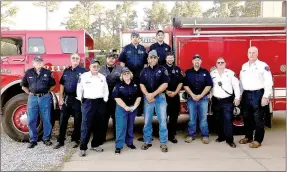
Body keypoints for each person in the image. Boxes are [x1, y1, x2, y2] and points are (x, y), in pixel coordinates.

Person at [239, 46, 273, 148]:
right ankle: (248, 137)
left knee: (258, 118)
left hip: (258, 94)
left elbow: (269, 81)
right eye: (250, 52)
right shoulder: (244, 66)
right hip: (246, 94)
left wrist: (265, 96)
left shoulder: (263, 66)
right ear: (247, 54)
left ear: (257, 54)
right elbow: (241, 82)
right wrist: (240, 94)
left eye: (254, 52)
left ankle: (258, 140)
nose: (251, 54)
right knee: (246, 117)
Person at [21, 56, 56, 148]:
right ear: (33, 63)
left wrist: (47, 92)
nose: (38, 63)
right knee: (31, 119)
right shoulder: (28, 72)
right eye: (36, 62)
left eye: (40, 62)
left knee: (47, 119)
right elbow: (23, 86)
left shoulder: (48, 73)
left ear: (42, 63)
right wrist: (29, 93)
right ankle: (33, 140)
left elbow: (53, 85)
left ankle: (46, 138)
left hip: (45, 98)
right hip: (32, 98)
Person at [54, 53, 88, 149]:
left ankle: (75, 139)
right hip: (67, 98)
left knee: (78, 120)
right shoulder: (66, 70)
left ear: (79, 60)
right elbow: (62, 84)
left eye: (77, 58)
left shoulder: (84, 71)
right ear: (70, 59)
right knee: (63, 120)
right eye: (73, 58)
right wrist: (60, 98)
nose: (75, 59)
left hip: (78, 99)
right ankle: (61, 140)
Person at [76, 59, 109, 157]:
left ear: (99, 67)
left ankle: (95, 144)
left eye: (97, 66)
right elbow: (79, 89)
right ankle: (83, 147)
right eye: (93, 66)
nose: (95, 68)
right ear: (89, 67)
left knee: (99, 125)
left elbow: (106, 89)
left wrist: (105, 99)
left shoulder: (102, 77)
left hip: (100, 102)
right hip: (88, 102)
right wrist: (81, 100)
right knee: (86, 125)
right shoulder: (84, 76)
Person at [139, 50, 170, 152]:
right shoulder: (144, 71)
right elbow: (141, 84)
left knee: (162, 121)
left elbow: (165, 84)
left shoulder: (162, 69)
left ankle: (163, 142)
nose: (152, 59)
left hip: (160, 97)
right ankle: (147, 141)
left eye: (154, 57)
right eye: (151, 58)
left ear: (157, 59)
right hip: (148, 98)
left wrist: (153, 94)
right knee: (147, 121)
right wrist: (147, 94)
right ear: (148, 59)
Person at [210, 57, 240, 148]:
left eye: (222, 62)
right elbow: (210, 86)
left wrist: (237, 97)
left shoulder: (230, 73)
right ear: (216, 64)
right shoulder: (212, 73)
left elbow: (236, 86)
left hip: (227, 100)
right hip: (216, 100)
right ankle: (221, 137)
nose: (220, 64)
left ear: (225, 63)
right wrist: (210, 97)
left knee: (228, 120)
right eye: (218, 62)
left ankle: (230, 140)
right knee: (218, 120)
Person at [183, 54, 213, 144]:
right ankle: (191, 135)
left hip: (203, 99)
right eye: (195, 60)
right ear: (192, 62)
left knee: (203, 118)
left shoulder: (205, 72)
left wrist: (200, 95)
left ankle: (205, 135)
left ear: (201, 61)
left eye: (198, 60)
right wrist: (192, 95)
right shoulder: (188, 72)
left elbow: (209, 85)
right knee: (192, 118)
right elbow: (185, 85)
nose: (197, 61)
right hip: (191, 99)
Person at [112, 67, 142, 154]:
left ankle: (129, 143)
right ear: (122, 75)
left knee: (130, 126)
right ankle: (118, 146)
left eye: (128, 73)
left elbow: (139, 97)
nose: (126, 75)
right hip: (121, 108)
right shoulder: (118, 85)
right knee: (121, 127)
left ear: (130, 74)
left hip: (132, 108)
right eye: (124, 74)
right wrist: (125, 107)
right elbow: (116, 98)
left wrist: (134, 107)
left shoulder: (135, 84)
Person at [99, 52, 123, 142]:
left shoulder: (121, 69)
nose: (111, 59)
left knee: (116, 118)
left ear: (115, 59)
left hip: (116, 98)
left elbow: (128, 75)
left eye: (113, 58)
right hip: (104, 98)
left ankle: (117, 138)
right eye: (109, 58)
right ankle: (101, 138)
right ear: (106, 59)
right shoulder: (100, 69)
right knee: (103, 119)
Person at [164, 52, 184, 143]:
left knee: (174, 117)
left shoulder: (177, 69)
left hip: (175, 96)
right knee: (163, 117)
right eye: (168, 57)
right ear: (165, 58)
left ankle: (172, 135)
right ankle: (163, 135)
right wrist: (166, 91)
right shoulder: (161, 69)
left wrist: (176, 92)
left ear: (174, 59)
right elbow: (159, 82)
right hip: (164, 96)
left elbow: (181, 82)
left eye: (171, 57)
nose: (170, 59)